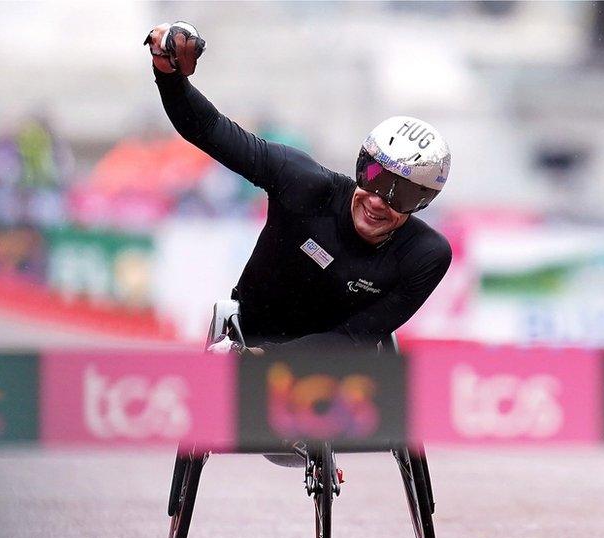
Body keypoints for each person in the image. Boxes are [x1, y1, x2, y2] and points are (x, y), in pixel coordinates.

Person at [146, 22, 452, 353]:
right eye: (375, 178)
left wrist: (268, 360)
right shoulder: (303, 183)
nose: (378, 200)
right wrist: (169, 75)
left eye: (401, 194)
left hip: (342, 367)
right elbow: (209, 130)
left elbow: (355, 337)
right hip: (248, 338)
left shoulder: (425, 254)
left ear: (422, 203)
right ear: (361, 166)